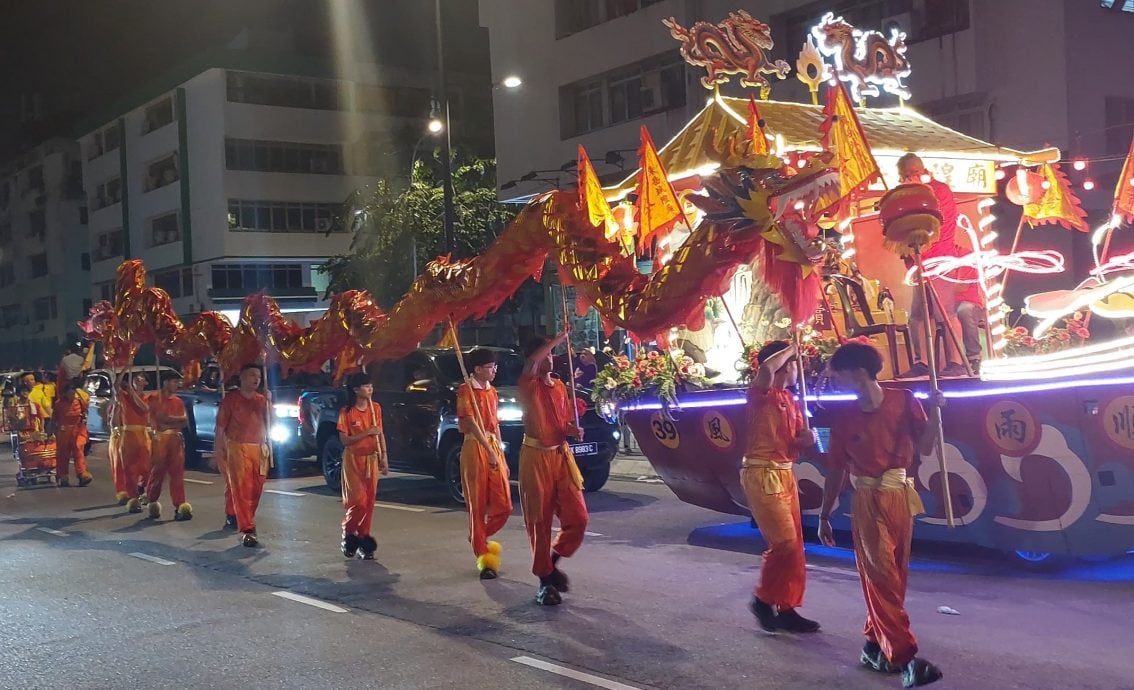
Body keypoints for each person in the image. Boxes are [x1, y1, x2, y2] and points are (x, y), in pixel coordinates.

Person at [819, 342, 944, 688]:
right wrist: (824, 515)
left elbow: (928, 447)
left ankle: (875, 645)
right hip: (868, 499)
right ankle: (906, 658)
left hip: (901, 496)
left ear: (858, 373)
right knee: (882, 578)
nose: (835, 381)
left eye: (838, 375)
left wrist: (935, 412)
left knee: (896, 577)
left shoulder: (904, 401)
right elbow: (835, 470)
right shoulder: (844, 418)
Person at [742, 341, 819, 633]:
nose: (800, 369)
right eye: (796, 363)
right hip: (762, 472)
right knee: (784, 542)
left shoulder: (791, 400)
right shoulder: (761, 394)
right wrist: (794, 347)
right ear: (786, 365)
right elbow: (765, 368)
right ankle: (763, 599)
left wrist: (808, 440)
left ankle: (787, 606)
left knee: (796, 547)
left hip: (786, 474)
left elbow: (798, 441)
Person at [518, 332, 588, 606]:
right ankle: (544, 582)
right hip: (535, 458)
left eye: (551, 354)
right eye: (546, 354)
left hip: (561, 455)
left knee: (578, 517)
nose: (550, 358)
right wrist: (559, 337)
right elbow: (532, 363)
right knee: (540, 521)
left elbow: (563, 423)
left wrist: (572, 429)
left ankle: (552, 563)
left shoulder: (559, 386)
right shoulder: (528, 385)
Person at [896, 154, 966, 378]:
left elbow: (933, 226)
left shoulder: (936, 192)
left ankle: (956, 362)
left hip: (939, 260)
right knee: (918, 315)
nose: (904, 179)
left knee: (945, 312)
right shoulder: (916, 193)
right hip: (921, 261)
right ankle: (923, 363)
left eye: (905, 175)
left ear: (913, 172)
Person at [456, 348, 513, 579]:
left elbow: (495, 424)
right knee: (477, 505)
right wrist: (488, 450)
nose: (494, 370)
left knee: (504, 505)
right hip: (474, 447)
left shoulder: (492, 391)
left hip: (492, 446)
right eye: (490, 367)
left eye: (494, 366)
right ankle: (484, 558)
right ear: (477, 369)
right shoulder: (465, 390)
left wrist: (500, 453)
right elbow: (470, 421)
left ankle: (478, 535)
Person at [215, 363, 270, 547]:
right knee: (241, 488)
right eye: (252, 375)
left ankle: (244, 517)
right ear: (242, 377)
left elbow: (272, 422)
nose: (256, 379)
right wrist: (219, 450)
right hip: (237, 448)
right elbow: (220, 427)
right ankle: (247, 528)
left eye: (259, 376)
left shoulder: (262, 400)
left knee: (257, 488)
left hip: (259, 448)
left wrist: (270, 405)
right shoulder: (230, 400)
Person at [337, 372, 388, 559]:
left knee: (369, 503)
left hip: (371, 460)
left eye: (371, 386)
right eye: (366, 386)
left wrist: (384, 456)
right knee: (358, 502)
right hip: (353, 461)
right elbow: (345, 440)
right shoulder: (347, 412)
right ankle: (348, 532)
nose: (370, 389)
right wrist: (367, 432)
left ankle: (363, 539)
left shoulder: (376, 408)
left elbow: (380, 433)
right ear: (356, 389)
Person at [145, 370, 191, 521]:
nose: (176, 385)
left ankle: (180, 505)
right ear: (165, 383)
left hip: (176, 440)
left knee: (177, 473)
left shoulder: (178, 401)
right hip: (159, 440)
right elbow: (157, 418)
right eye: (173, 382)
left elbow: (184, 422)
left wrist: (169, 420)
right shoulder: (153, 399)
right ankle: (152, 499)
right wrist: (170, 420)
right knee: (158, 472)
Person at [118, 372, 153, 513]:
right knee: (129, 469)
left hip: (142, 435)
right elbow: (116, 386)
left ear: (146, 383)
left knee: (146, 467)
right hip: (128, 435)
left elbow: (144, 408)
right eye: (135, 377)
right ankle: (133, 499)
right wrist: (126, 367)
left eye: (141, 378)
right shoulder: (124, 396)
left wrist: (132, 392)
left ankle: (143, 488)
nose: (138, 379)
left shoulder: (147, 397)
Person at [51, 377, 93, 487]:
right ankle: (63, 476)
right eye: (70, 393)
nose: (72, 395)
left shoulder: (79, 401)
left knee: (78, 450)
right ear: (65, 393)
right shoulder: (59, 404)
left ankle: (82, 474)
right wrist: (51, 430)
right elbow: (54, 419)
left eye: (73, 392)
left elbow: (85, 412)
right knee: (63, 454)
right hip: (63, 431)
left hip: (78, 429)